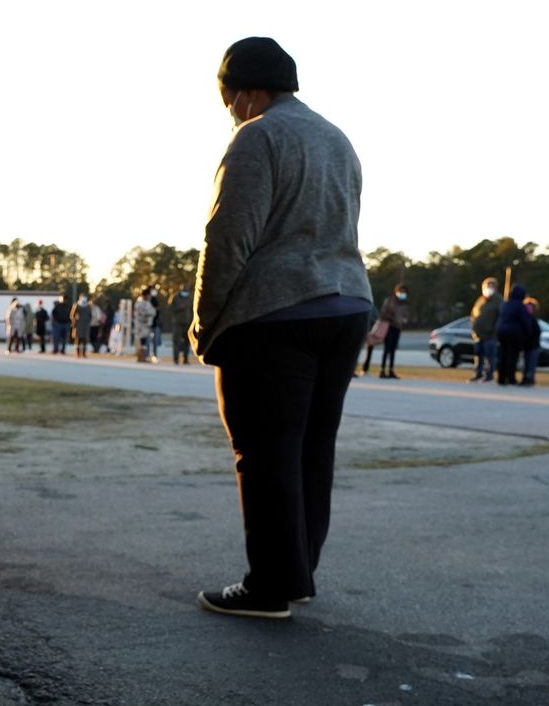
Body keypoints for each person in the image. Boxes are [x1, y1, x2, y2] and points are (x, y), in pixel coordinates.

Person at [190, 37, 374, 620]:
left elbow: (229, 237)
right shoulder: (336, 137)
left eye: (228, 100)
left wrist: (205, 321)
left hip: (277, 313)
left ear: (244, 92)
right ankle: (296, 575)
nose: (230, 112)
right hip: (345, 305)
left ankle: (269, 585)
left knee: (264, 451)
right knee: (312, 448)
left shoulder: (257, 134)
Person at [494, 284, 536, 385]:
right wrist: (528, 333)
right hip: (514, 334)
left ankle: (501, 378)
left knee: (503, 355)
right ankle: (511, 378)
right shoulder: (520, 306)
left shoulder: (505, 304)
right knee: (512, 356)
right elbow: (525, 321)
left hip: (501, 332)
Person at [373, 284, 411, 378]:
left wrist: (404, 319)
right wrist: (392, 318)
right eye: (401, 292)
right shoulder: (390, 301)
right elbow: (383, 313)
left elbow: (405, 315)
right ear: (396, 291)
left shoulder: (404, 303)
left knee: (393, 349)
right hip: (389, 327)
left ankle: (391, 370)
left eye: (404, 292)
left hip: (397, 328)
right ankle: (382, 370)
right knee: (387, 348)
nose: (403, 294)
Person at [470, 277, 501, 382]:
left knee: (489, 355)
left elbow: (500, 317)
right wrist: (474, 327)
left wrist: (494, 330)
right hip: (478, 334)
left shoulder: (498, 301)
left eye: (491, 286)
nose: (489, 288)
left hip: (490, 335)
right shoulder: (480, 301)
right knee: (478, 355)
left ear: (496, 288)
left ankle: (489, 375)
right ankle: (478, 373)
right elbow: (473, 315)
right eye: (487, 286)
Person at [521, 295, 543, 385]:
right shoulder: (524, 320)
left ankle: (530, 379)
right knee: (525, 364)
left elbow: (536, 333)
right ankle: (525, 378)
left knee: (531, 364)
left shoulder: (534, 320)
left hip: (533, 346)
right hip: (527, 346)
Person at [168, 289, 194, 364]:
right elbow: (170, 308)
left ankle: (185, 359)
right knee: (176, 341)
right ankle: (176, 359)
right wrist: (179, 308)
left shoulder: (189, 297)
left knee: (187, 342)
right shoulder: (175, 297)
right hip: (178, 323)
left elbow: (192, 309)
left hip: (188, 323)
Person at [135, 289, 159, 362]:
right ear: (145, 295)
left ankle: (143, 357)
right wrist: (151, 312)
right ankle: (142, 357)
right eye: (148, 295)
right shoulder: (142, 303)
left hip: (145, 325)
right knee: (143, 342)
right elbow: (151, 312)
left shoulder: (145, 303)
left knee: (144, 342)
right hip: (143, 325)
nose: (149, 297)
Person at [71, 292, 96, 357]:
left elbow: (90, 316)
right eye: (83, 297)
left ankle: (84, 353)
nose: (84, 298)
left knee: (85, 340)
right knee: (78, 339)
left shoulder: (88, 306)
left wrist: (88, 322)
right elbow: (72, 315)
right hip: (78, 325)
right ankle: (77, 353)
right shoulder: (76, 305)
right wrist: (75, 322)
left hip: (85, 325)